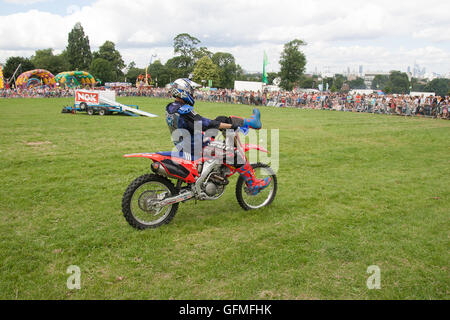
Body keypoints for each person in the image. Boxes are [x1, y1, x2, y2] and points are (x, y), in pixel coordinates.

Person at [165, 78, 271, 194]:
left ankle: (251, 122)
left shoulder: (171, 107)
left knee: (222, 118)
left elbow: (196, 124)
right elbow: (205, 124)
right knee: (235, 155)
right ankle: (253, 185)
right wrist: (229, 126)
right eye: (192, 91)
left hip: (187, 142)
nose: (193, 94)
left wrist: (225, 124)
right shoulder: (184, 110)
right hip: (197, 145)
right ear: (184, 92)